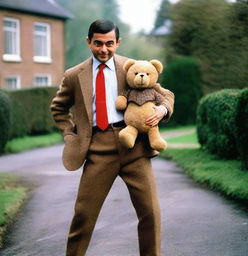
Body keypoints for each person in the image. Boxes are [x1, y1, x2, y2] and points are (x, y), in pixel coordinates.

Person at [51, 19, 174, 256]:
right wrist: (69, 134)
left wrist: (163, 110)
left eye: (109, 43)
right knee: (83, 216)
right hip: (97, 149)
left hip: (135, 148)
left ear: (117, 43)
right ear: (89, 42)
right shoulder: (74, 75)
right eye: (98, 43)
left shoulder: (132, 66)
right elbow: (58, 108)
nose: (104, 49)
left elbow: (165, 94)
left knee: (150, 213)